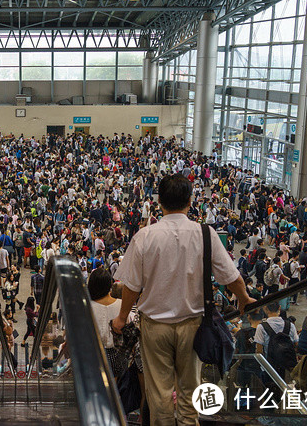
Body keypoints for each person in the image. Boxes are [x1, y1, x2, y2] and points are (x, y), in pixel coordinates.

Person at [112, 174, 254, 426]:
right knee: (189, 396)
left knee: (159, 395)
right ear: (190, 202)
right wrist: (243, 298)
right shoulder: (205, 234)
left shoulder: (144, 237)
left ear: (159, 202)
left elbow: (131, 287)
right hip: (193, 325)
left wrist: (122, 318)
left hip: (155, 327)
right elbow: (231, 276)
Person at [88, 267, 132, 377]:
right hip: (119, 355)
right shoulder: (122, 305)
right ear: (110, 285)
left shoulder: (86, 307)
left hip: (94, 355)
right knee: (117, 388)